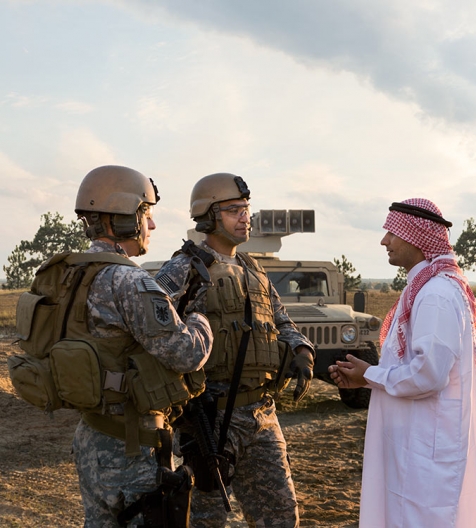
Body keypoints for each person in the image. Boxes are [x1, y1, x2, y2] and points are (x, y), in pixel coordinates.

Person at [155, 173, 315, 527]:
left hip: (262, 415)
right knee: (205, 520)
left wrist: (301, 350)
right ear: (210, 216)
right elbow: (152, 327)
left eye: (246, 209)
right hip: (211, 423)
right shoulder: (185, 268)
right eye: (234, 210)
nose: (245, 217)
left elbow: (281, 320)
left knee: (281, 517)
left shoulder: (253, 270)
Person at [61, 166, 213, 526]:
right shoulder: (128, 279)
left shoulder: (72, 273)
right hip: (131, 446)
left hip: (91, 437)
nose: (153, 226)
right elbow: (185, 353)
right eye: (147, 214)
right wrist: (199, 318)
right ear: (127, 218)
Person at [330, 198, 476, 527]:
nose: (384, 240)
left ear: (415, 237)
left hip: (426, 447)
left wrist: (369, 374)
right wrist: (364, 377)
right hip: (417, 442)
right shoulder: (428, 289)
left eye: (392, 232)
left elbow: (428, 375)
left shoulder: (436, 295)